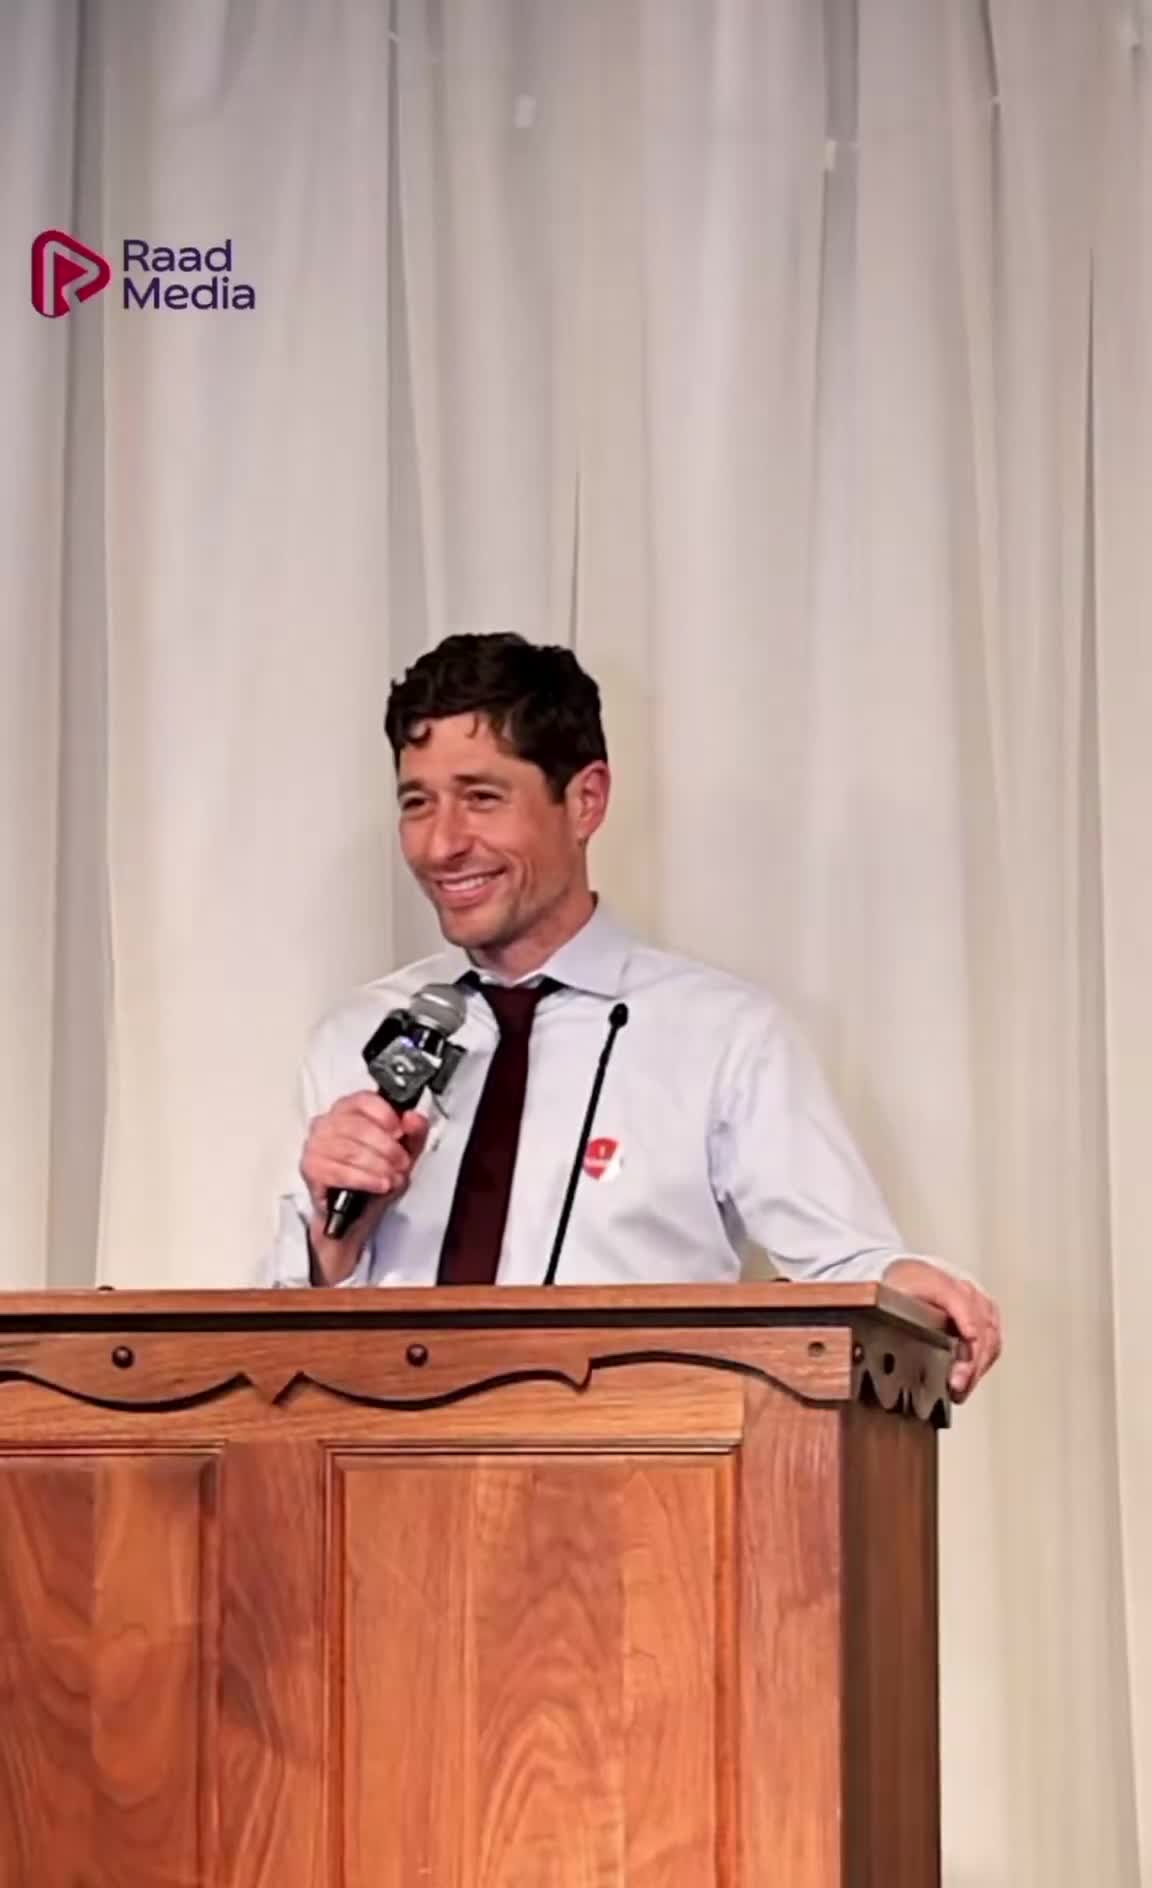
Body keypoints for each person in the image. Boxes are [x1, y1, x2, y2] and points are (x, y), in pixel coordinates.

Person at [264, 632, 1001, 1399]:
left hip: (634, 1492)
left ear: (585, 801)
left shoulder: (724, 1036)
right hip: (379, 1484)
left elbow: (846, 1270)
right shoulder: (359, 1037)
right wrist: (333, 1238)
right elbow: (280, 1332)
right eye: (418, 803)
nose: (442, 843)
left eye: (482, 798)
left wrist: (915, 1286)